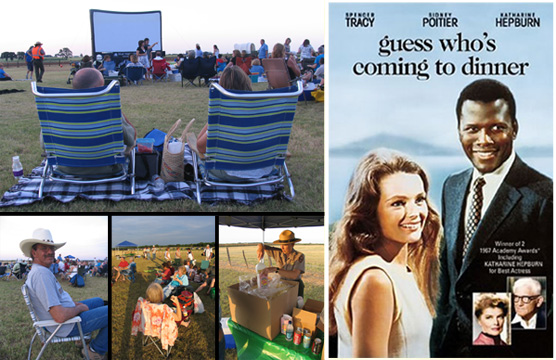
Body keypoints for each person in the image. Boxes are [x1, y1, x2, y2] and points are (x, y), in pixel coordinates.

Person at [431, 79, 553, 358]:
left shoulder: (545, 198)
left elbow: (542, 304)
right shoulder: (452, 186)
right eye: (472, 129)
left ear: (514, 129)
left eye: (496, 128)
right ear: (459, 132)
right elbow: (449, 280)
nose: (483, 140)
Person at [329, 149, 440, 358]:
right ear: (370, 212)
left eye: (419, 199)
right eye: (398, 203)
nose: (415, 213)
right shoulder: (376, 280)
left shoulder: (399, 268)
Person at [20, 228, 108, 359]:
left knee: (99, 301)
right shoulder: (41, 275)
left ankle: (82, 338)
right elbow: (59, 316)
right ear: (34, 252)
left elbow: (58, 301)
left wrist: (74, 304)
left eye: (52, 248)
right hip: (65, 325)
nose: (50, 252)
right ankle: (94, 350)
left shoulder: (41, 271)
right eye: (44, 248)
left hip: (66, 318)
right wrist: (79, 307)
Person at [39, 68, 137, 176]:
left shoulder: (57, 110)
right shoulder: (109, 111)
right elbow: (130, 140)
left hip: (66, 168)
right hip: (108, 169)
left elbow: (44, 144)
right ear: (98, 88)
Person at [195, 65, 253, 154]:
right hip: (264, 166)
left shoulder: (224, 115)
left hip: (228, 166)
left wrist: (215, 114)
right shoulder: (265, 111)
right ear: (247, 83)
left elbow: (200, 147)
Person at [257, 230, 307, 298]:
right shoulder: (278, 252)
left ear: (292, 244)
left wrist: (276, 269)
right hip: (282, 285)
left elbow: (294, 275)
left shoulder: (299, 256)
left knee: (296, 306)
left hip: (295, 286)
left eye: (285, 245)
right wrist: (260, 248)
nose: (282, 247)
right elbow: (262, 245)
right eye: (281, 244)